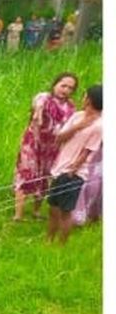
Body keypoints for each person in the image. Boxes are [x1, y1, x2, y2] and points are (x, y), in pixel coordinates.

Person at [13, 73, 77, 221]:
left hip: (52, 148)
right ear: (55, 84)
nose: (65, 90)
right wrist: (38, 115)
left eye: (70, 88)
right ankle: (18, 214)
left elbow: (69, 127)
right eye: (63, 85)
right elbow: (37, 108)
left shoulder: (70, 107)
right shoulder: (43, 98)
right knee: (25, 174)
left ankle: (36, 211)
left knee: (44, 178)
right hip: (32, 143)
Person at [46, 84, 103, 244]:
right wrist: (78, 126)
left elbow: (88, 151)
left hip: (74, 173)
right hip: (59, 168)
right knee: (53, 207)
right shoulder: (77, 116)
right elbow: (60, 138)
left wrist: (73, 169)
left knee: (65, 211)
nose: (82, 98)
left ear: (90, 100)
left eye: (85, 96)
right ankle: (48, 240)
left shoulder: (100, 125)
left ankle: (61, 245)